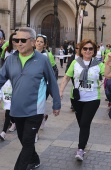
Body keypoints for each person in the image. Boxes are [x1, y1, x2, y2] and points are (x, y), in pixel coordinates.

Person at [0, 27, 61, 170]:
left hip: (35, 110)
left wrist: (56, 104)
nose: (18, 43)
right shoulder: (10, 60)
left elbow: (52, 81)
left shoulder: (42, 60)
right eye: (16, 40)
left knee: (27, 143)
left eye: (23, 40)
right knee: (24, 140)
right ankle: (35, 159)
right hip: (16, 109)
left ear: (33, 42)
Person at [60, 39, 105, 161]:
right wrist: (61, 91)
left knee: (85, 123)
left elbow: (108, 74)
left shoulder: (98, 64)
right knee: (82, 123)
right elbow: (66, 77)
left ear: (94, 51)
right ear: (81, 50)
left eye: (90, 49)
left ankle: (80, 150)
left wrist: (110, 64)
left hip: (93, 99)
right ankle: (84, 139)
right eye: (85, 48)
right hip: (77, 98)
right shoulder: (75, 63)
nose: (88, 51)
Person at [65, 43, 80, 111]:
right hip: (74, 76)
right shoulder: (73, 56)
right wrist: (67, 73)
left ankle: (78, 101)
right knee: (75, 87)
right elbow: (68, 65)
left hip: (82, 76)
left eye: (79, 48)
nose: (78, 50)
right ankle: (73, 103)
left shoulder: (84, 56)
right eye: (77, 48)